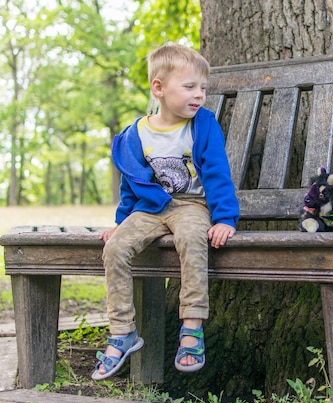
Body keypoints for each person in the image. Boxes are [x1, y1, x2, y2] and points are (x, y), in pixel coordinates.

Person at [91, 43, 239, 380]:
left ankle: (191, 327)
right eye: (189, 87)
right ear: (159, 88)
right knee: (115, 248)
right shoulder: (136, 134)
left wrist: (225, 219)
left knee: (191, 238)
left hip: (192, 206)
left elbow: (217, 173)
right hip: (150, 209)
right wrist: (120, 223)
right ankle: (122, 331)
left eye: (202, 87)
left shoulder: (202, 125)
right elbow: (131, 184)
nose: (199, 95)